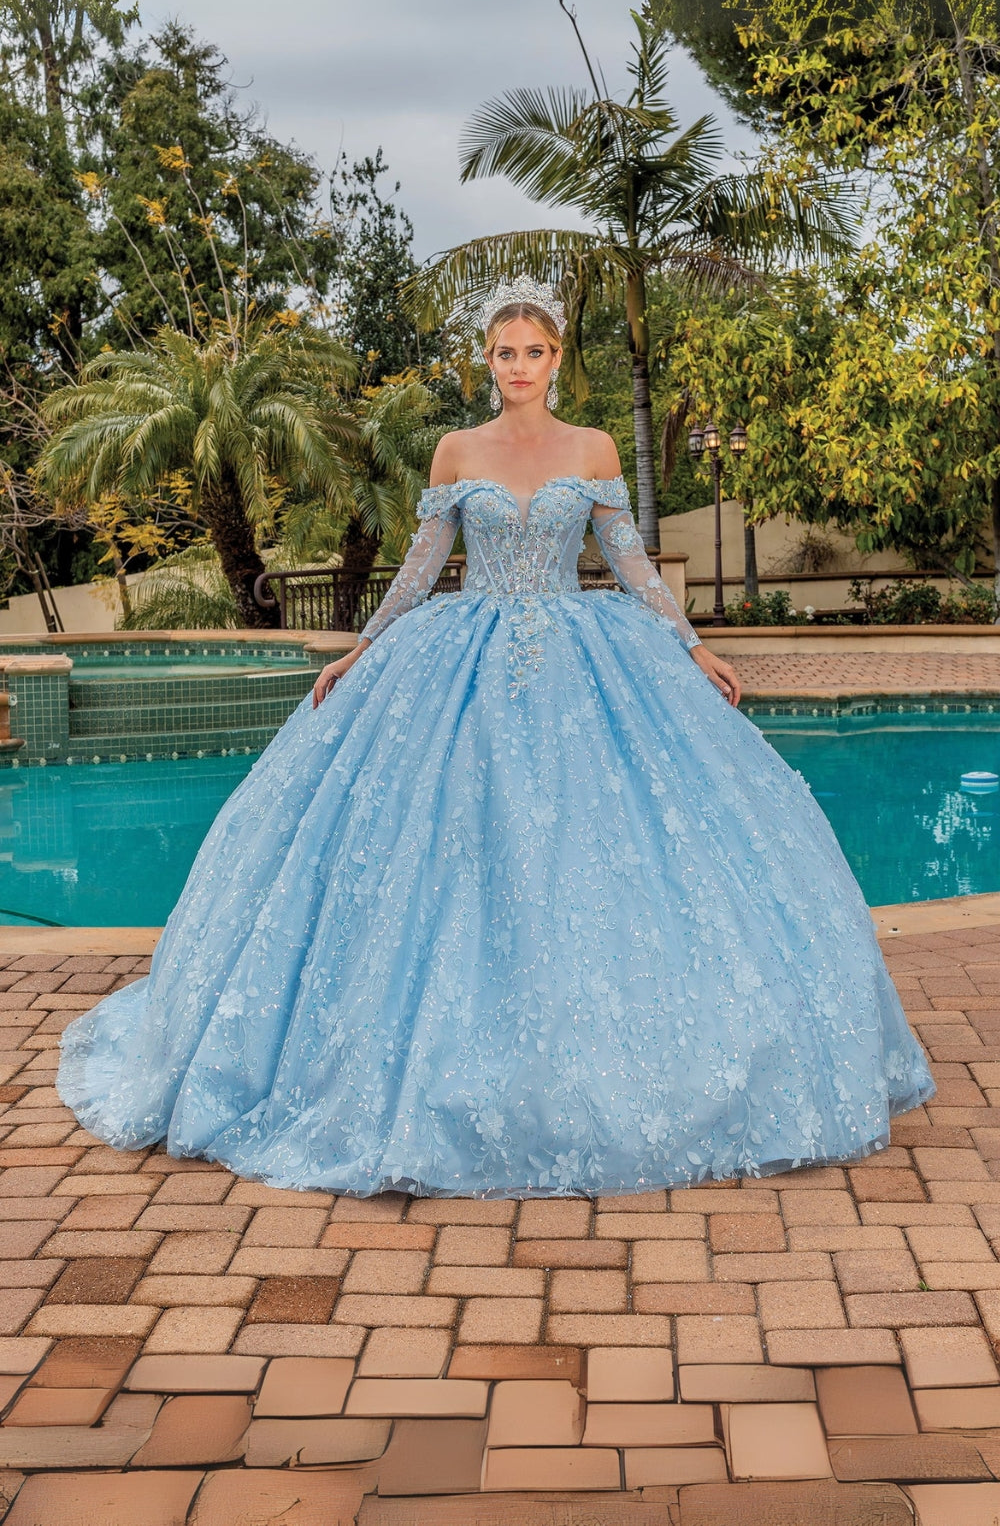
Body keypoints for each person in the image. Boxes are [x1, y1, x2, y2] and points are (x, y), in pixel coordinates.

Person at [56, 275, 934, 1197]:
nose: (519, 366)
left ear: (558, 362)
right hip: (461, 656)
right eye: (505, 352)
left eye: (536, 352)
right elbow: (423, 565)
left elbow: (627, 563)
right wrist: (361, 650)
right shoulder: (454, 451)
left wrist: (693, 645)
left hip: (581, 653)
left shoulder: (591, 446)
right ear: (488, 361)